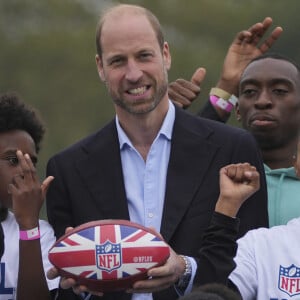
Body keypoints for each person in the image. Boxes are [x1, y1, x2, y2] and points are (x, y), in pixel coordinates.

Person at [45, 4, 268, 300]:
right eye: (118, 61)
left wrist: (184, 270)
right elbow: (69, 292)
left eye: (144, 56)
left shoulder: (233, 149)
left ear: (165, 54)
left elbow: (253, 270)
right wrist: (79, 284)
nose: (134, 73)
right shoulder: (66, 170)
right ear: (100, 67)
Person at [170, 18, 300, 227]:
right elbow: (193, 161)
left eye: (279, 91)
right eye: (249, 92)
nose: (263, 101)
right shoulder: (222, 180)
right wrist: (228, 86)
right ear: (238, 108)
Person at [0, 92, 59, 299]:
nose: (26, 171)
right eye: (13, 160)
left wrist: (28, 227)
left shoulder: (40, 233)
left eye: (31, 162)